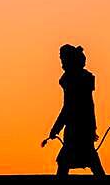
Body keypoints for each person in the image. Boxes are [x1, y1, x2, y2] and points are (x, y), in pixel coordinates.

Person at [45, 44, 105, 177]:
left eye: (63, 59)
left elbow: (69, 107)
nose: (61, 62)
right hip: (83, 127)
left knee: (66, 160)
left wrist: (56, 128)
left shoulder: (72, 80)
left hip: (77, 128)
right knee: (88, 159)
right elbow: (89, 106)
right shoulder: (82, 78)